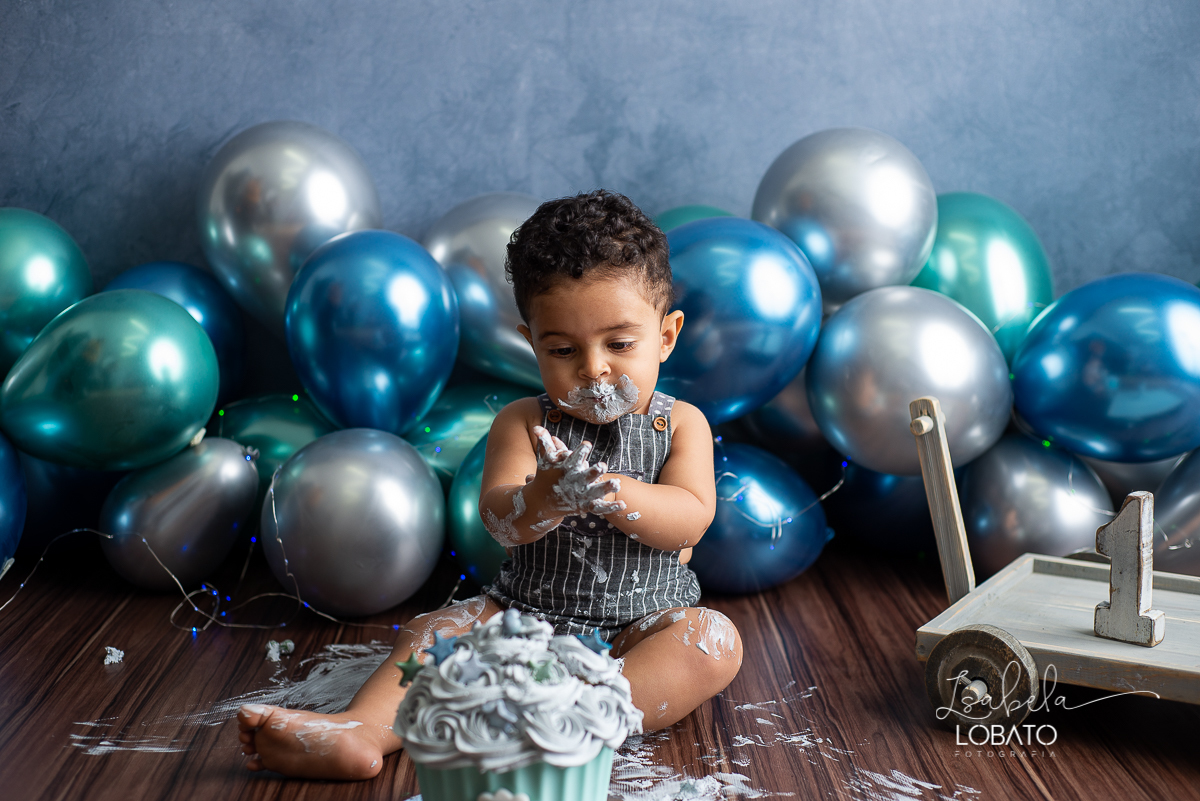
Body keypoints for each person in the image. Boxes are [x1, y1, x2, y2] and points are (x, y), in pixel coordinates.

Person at [236, 189, 742, 779]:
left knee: (712, 641)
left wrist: (613, 493)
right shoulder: (525, 423)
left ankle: (582, 718)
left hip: (640, 627)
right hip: (522, 619)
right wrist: (545, 496)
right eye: (562, 349)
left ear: (667, 335)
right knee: (433, 631)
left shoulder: (680, 423)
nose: (593, 367)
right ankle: (365, 730)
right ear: (532, 345)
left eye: (621, 344)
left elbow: (690, 517)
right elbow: (501, 520)